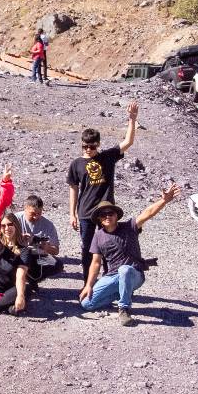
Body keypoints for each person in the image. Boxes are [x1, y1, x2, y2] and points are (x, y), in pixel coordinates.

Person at [79, 185, 181, 325]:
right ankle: (122, 292)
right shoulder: (98, 236)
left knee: (125, 269)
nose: (107, 216)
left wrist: (163, 200)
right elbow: (96, 263)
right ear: (99, 219)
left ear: (116, 215)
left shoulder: (129, 227)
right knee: (86, 304)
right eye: (103, 214)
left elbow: (148, 213)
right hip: (113, 276)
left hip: (134, 274)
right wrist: (89, 285)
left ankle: (124, 309)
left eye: (110, 213)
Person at [68, 101, 138, 278]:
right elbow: (73, 189)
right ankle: (87, 282)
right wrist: (72, 213)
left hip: (106, 212)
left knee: (109, 247)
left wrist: (132, 119)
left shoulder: (107, 157)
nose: (89, 150)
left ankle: (109, 282)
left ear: (98, 144)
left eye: (92, 146)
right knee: (87, 250)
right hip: (85, 213)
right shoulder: (76, 164)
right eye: (85, 146)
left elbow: (128, 142)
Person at [13, 194, 63, 277]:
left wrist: (47, 247)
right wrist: (19, 238)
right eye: (32, 213)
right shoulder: (15, 219)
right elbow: (3, 239)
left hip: (37, 256)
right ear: (25, 209)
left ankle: (33, 278)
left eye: (39, 213)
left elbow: (56, 251)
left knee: (57, 264)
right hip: (18, 255)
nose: (36, 217)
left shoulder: (48, 225)